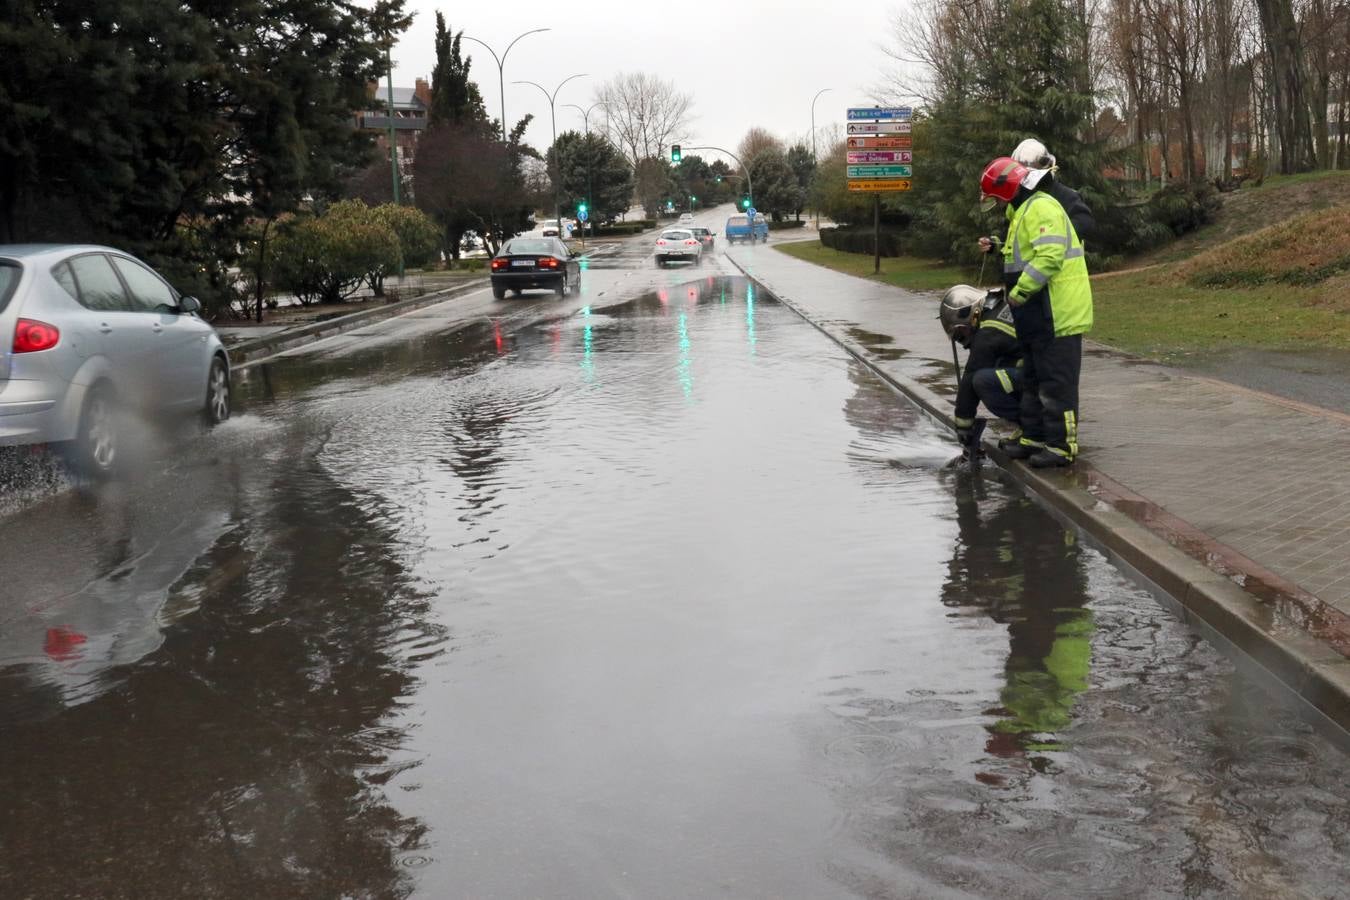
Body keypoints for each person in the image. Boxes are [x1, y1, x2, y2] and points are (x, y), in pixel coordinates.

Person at [978, 156, 1093, 467]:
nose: (997, 205)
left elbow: (1049, 256)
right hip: (1037, 313)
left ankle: (1060, 447)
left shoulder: (1041, 206)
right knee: (1033, 378)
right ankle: (1034, 437)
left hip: (1057, 312)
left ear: (1006, 191)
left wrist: (1019, 293)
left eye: (996, 198)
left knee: (1057, 383)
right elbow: (1024, 254)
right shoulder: (1025, 210)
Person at [939, 284, 1023, 460]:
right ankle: (1029, 426)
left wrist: (963, 424)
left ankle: (1031, 425)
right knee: (993, 372)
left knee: (983, 381)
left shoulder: (988, 333)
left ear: (971, 313)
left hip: (1036, 379)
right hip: (1038, 374)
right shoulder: (996, 309)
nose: (963, 340)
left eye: (961, 332)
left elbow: (970, 377)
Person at [1010, 138, 1096, 244]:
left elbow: (1085, 222)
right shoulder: (1021, 198)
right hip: (1033, 260)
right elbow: (1017, 238)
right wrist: (994, 245)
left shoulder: (1064, 195)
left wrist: (1055, 235)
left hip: (1063, 259)